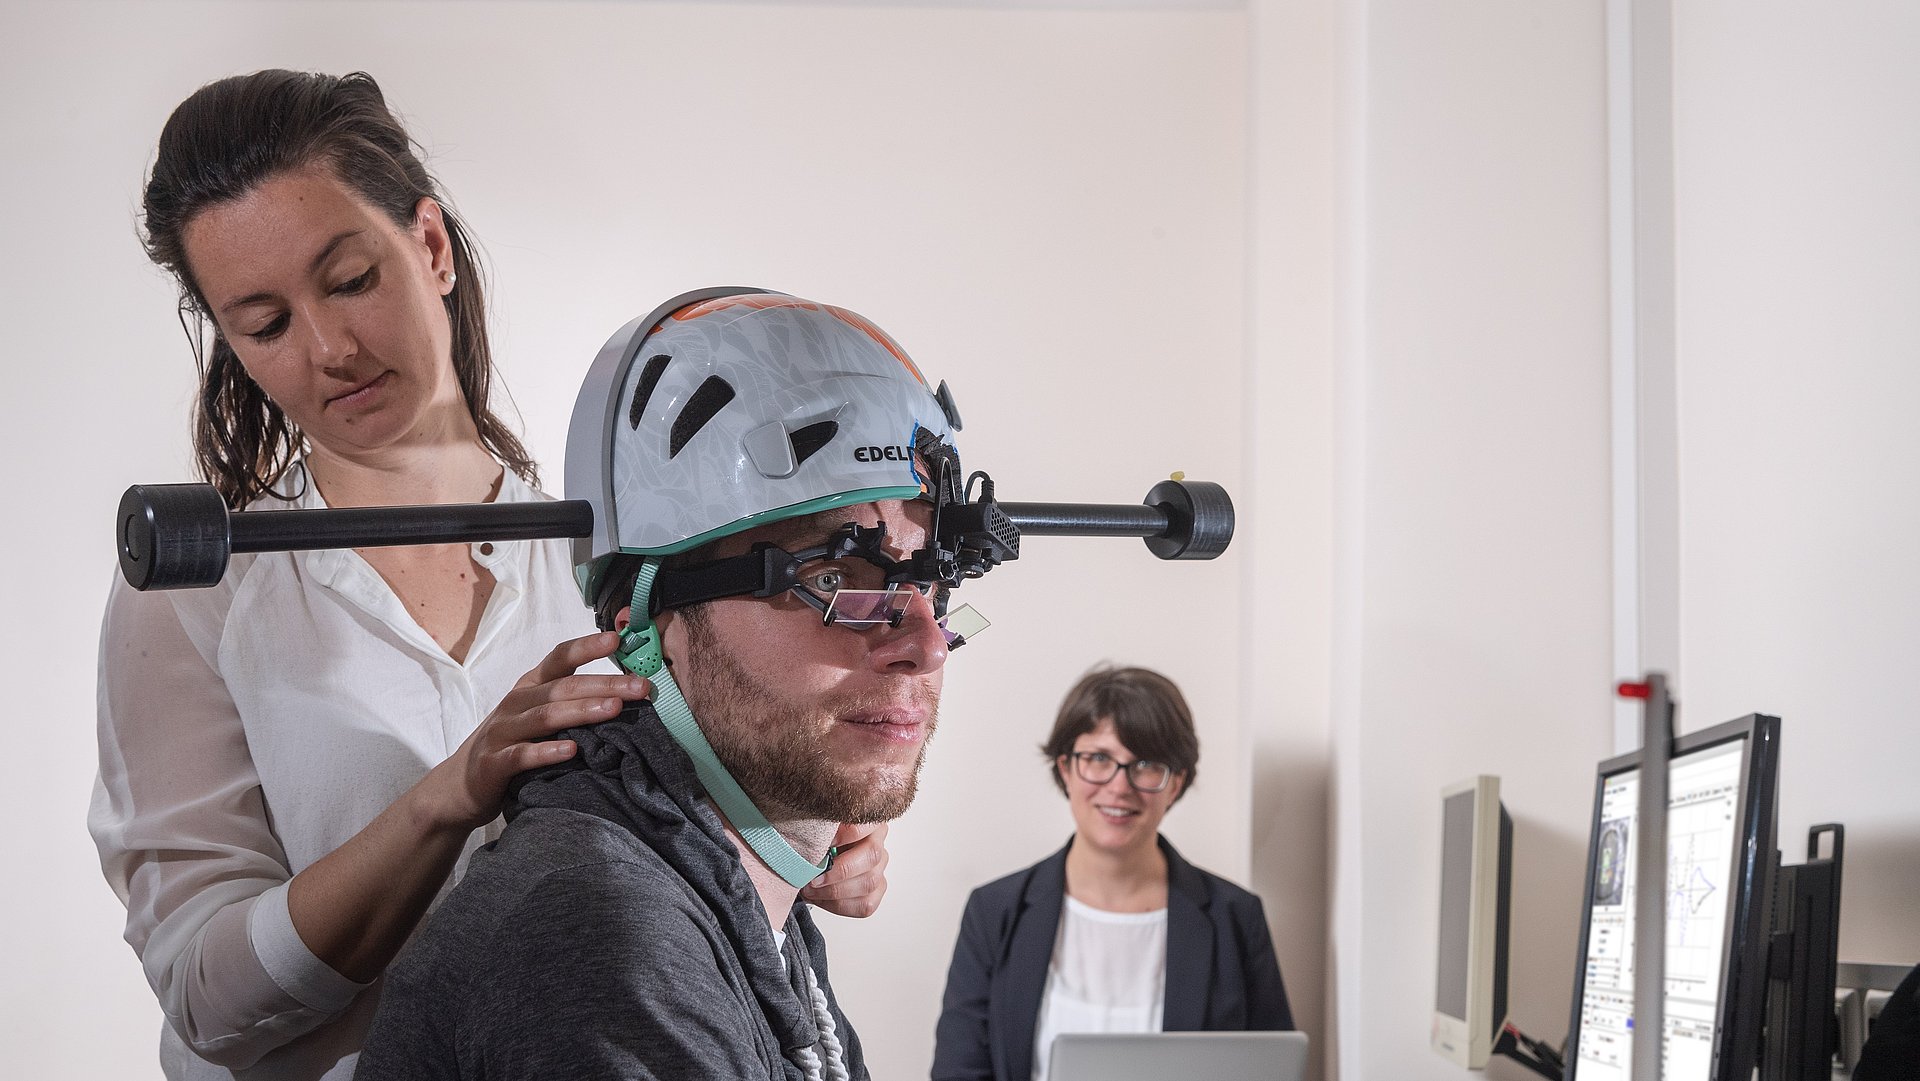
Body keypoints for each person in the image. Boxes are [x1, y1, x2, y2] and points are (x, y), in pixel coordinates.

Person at [89, 71, 888, 1081]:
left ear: (430, 247)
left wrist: (806, 842)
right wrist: (449, 795)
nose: (329, 348)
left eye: (349, 280)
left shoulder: (620, 550)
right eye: (265, 323)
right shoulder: (200, 590)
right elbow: (210, 1000)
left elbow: (700, 856)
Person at [354, 291, 983, 1080]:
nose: (925, 645)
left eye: (933, 584)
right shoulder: (596, 924)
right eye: (831, 576)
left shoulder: (748, 905)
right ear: (644, 622)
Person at [931, 666, 1292, 1081]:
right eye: (1099, 758)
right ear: (1065, 768)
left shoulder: (1235, 917)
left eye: (1145, 764)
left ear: (1176, 784)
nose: (1120, 787)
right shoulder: (994, 911)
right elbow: (959, 1072)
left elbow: (1271, 1070)